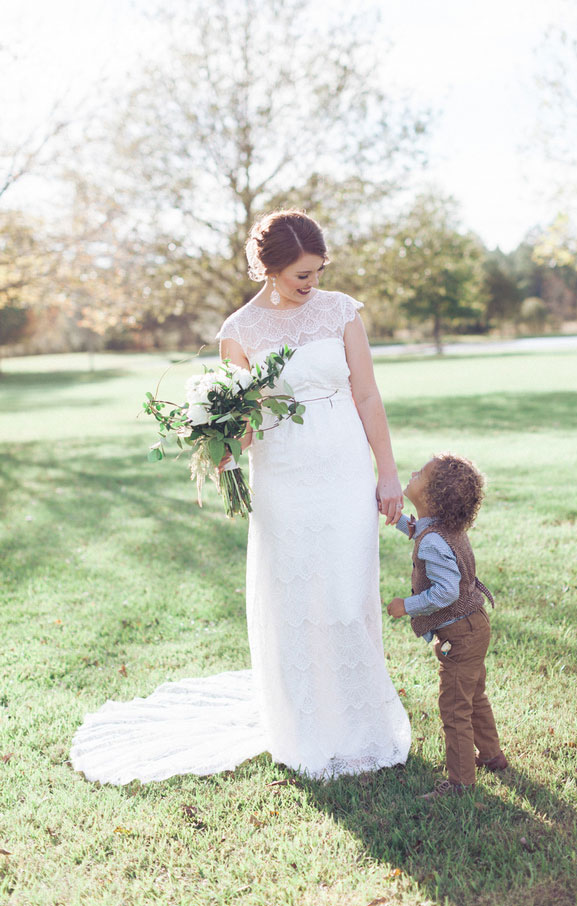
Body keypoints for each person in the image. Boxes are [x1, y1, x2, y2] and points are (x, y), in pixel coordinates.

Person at [69, 210, 410, 784]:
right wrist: (222, 442)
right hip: (283, 477)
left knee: (349, 596)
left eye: (317, 271)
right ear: (268, 269)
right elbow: (247, 422)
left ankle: (361, 725)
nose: (312, 284)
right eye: (301, 275)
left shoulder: (342, 311)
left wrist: (388, 473)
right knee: (297, 598)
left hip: (345, 468)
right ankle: (304, 728)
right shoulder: (240, 330)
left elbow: (369, 396)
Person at [386, 453, 506, 799]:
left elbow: (446, 591)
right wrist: (391, 516)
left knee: (454, 708)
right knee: (474, 695)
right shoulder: (440, 529)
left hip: (459, 634)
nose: (412, 473)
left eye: (420, 474)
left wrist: (405, 606)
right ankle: (492, 756)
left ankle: (460, 782)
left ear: (433, 497)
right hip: (473, 626)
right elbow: (417, 530)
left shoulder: (436, 541)